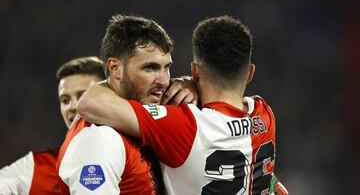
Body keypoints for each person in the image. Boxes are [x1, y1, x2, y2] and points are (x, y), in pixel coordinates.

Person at [78, 15, 288, 195]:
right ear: (250, 73)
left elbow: (89, 103)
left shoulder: (182, 125)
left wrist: (190, 82)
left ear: (195, 70)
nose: (162, 80)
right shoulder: (264, 113)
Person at [57, 14, 197, 195]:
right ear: (115, 68)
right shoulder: (99, 140)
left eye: (166, 67)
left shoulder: (140, 116)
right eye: (151, 68)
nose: (163, 80)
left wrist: (191, 84)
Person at [0, 56, 105, 194]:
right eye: (65, 100)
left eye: (82, 95)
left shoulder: (137, 158)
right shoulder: (38, 167)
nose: (72, 106)